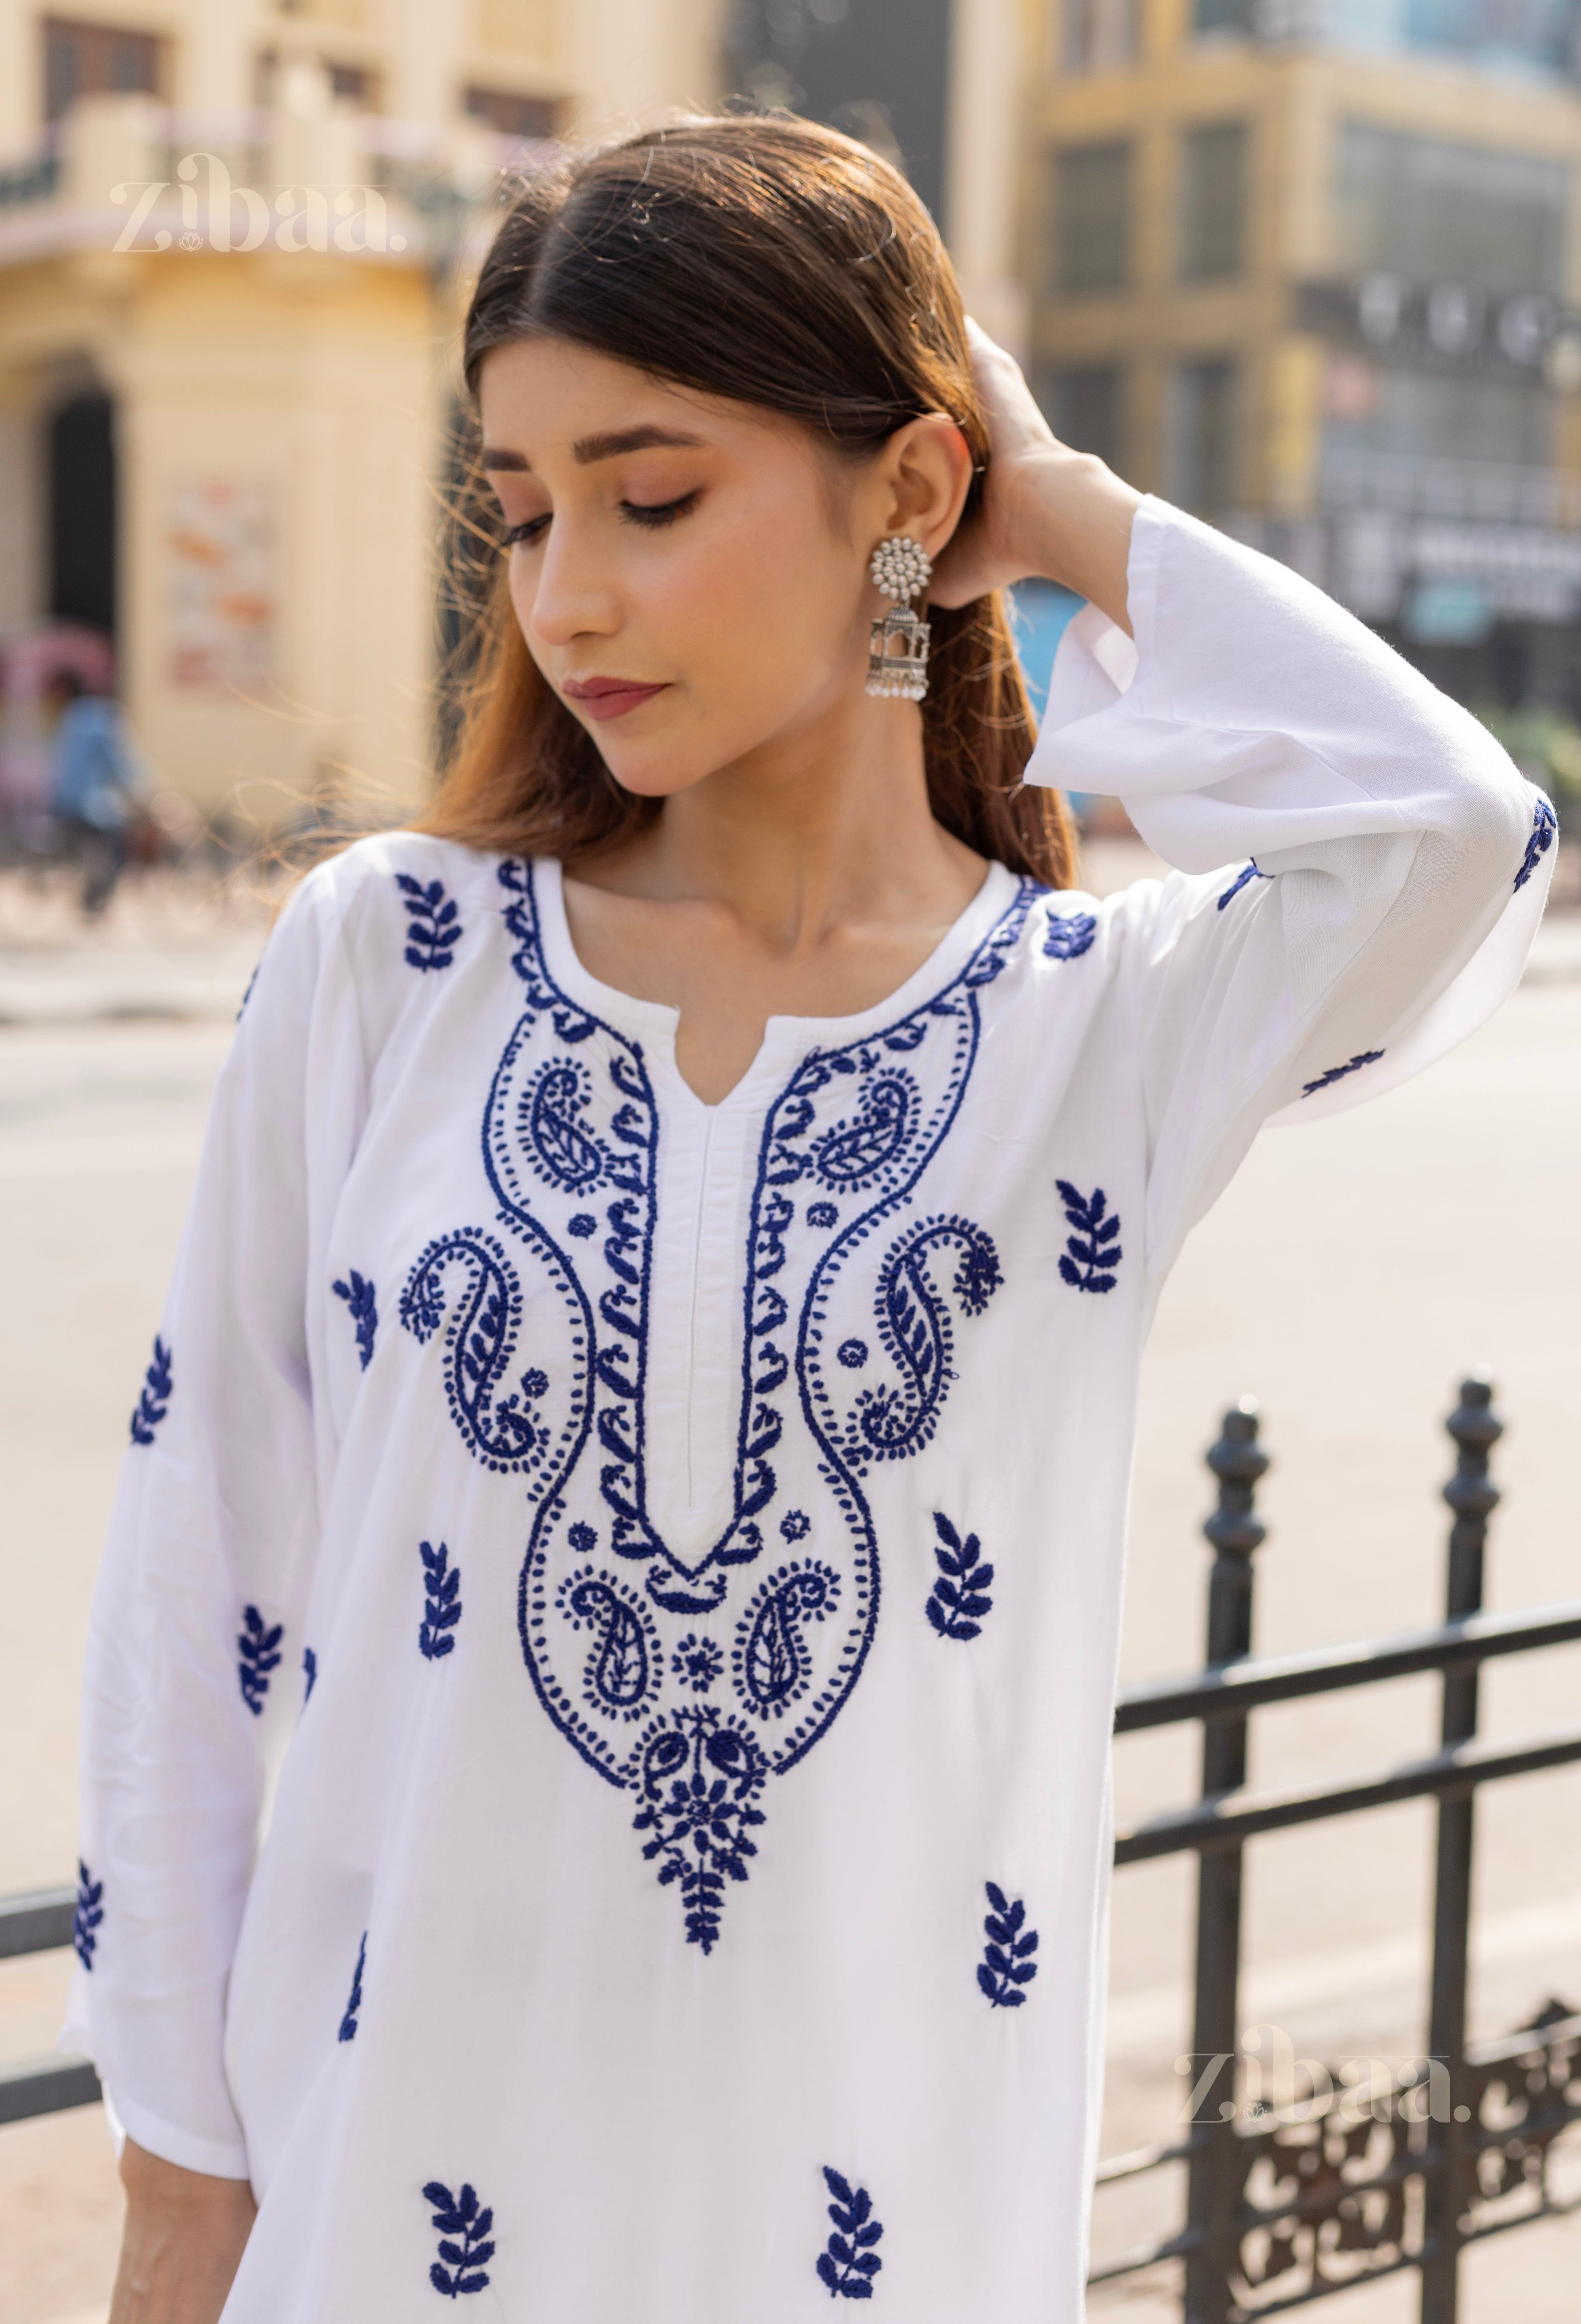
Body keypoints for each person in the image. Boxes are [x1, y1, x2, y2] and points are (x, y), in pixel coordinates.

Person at [65, 116, 1554, 2323]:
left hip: (886, 2237)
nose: (566, 589)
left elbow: (1452, 829)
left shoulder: (1093, 1024)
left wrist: (1042, 508)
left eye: (652, 497)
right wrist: (182, 2191)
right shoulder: (391, 957)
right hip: (388, 2225)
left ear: (906, 490)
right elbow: (192, 1597)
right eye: (525, 508)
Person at [45, 668, 146, 915]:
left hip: (63, 801)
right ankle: (97, 895)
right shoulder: (101, 718)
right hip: (89, 805)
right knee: (117, 842)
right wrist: (142, 790)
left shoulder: (71, 717)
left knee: (89, 846)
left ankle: (92, 893)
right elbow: (117, 763)